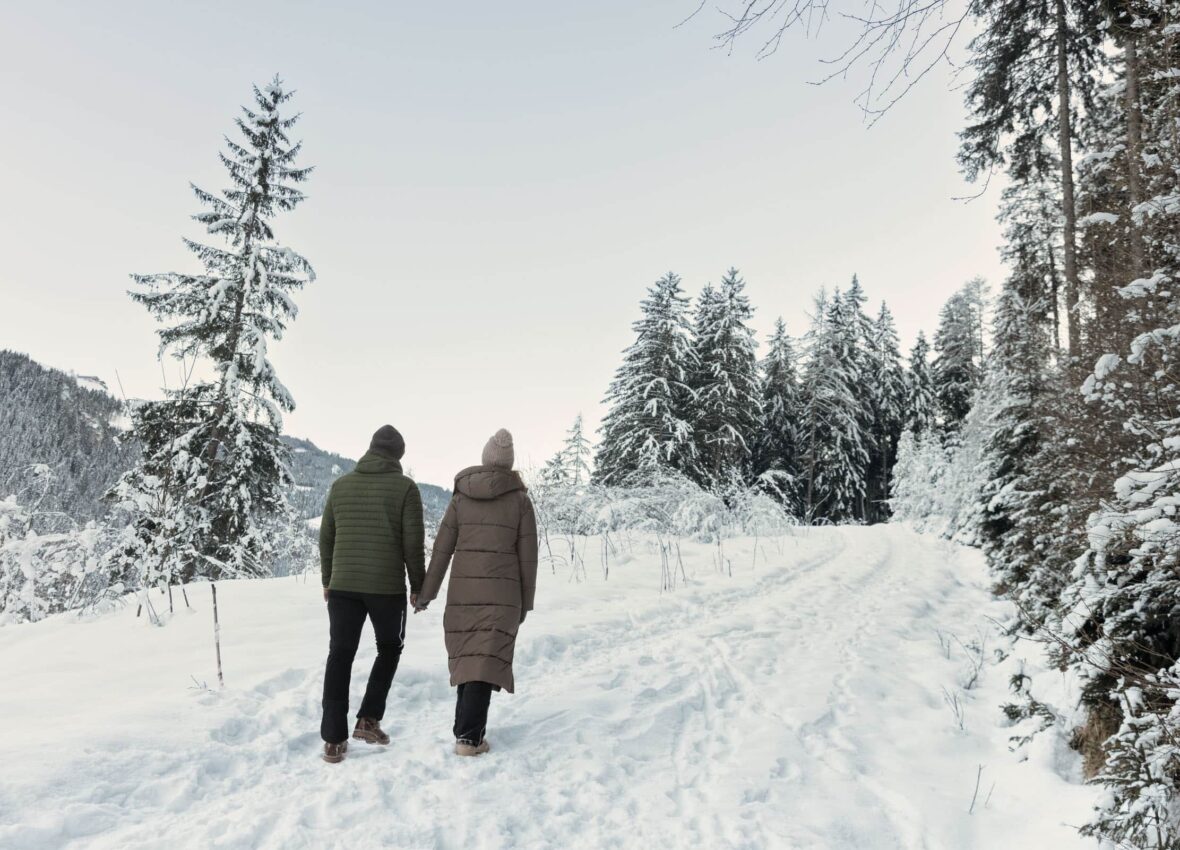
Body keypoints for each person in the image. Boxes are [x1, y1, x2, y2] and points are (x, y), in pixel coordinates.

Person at [416, 428, 538, 756]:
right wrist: (526, 603)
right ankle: (469, 738)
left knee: (471, 659)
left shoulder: (460, 499)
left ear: (485, 458)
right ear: (509, 463)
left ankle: (466, 732)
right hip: (503, 598)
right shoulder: (521, 502)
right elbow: (529, 557)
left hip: (462, 597)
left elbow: (441, 551)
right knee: (483, 662)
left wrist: (426, 594)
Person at [318, 424, 425, 764]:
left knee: (340, 655)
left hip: (343, 586)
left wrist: (328, 580)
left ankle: (333, 741)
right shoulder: (406, 488)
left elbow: (326, 539)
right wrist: (418, 586)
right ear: (398, 456)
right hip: (386, 588)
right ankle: (368, 720)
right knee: (390, 648)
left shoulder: (341, 485)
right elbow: (413, 545)